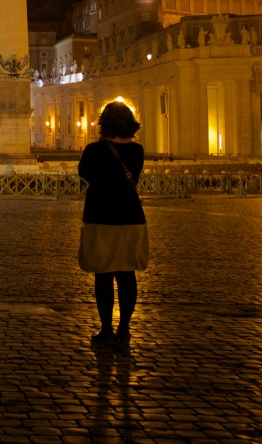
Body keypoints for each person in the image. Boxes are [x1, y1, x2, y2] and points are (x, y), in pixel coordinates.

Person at [77, 101, 149, 349]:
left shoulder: (93, 151)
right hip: (130, 217)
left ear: (104, 124)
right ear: (131, 125)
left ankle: (106, 327)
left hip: (100, 216)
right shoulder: (137, 151)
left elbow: (85, 174)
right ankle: (125, 328)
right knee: (127, 275)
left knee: (103, 275)